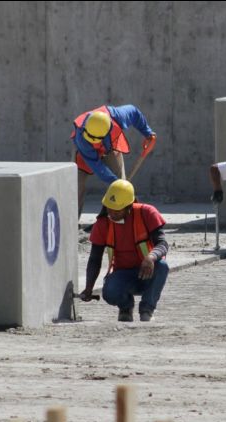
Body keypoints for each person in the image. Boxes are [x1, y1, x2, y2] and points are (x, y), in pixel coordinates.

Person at [79, 180, 169, 322]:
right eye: (109, 208)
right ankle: (126, 307)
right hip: (123, 276)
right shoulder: (102, 224)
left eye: (117, 210)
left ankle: (147, 309)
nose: (112, 214)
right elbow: (95, 258)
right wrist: (89, 287)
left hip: (148, 272)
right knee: (109, 292)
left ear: (129, 207)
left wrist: (151, 257)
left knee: (162, 266)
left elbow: (163, 244)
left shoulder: (147, 213)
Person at [71, 105, 157, 217]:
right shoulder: (81, 137)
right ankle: (72, 223)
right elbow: (98, 167)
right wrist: (116, 183)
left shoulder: (118, 116)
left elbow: (134, 113)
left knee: (121, 189)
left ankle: (119, 220)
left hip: (110, 147)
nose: (94, 142)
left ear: (108, 130)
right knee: (77, 186)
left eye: (96, 140)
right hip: (85, 154)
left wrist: (148, 133)